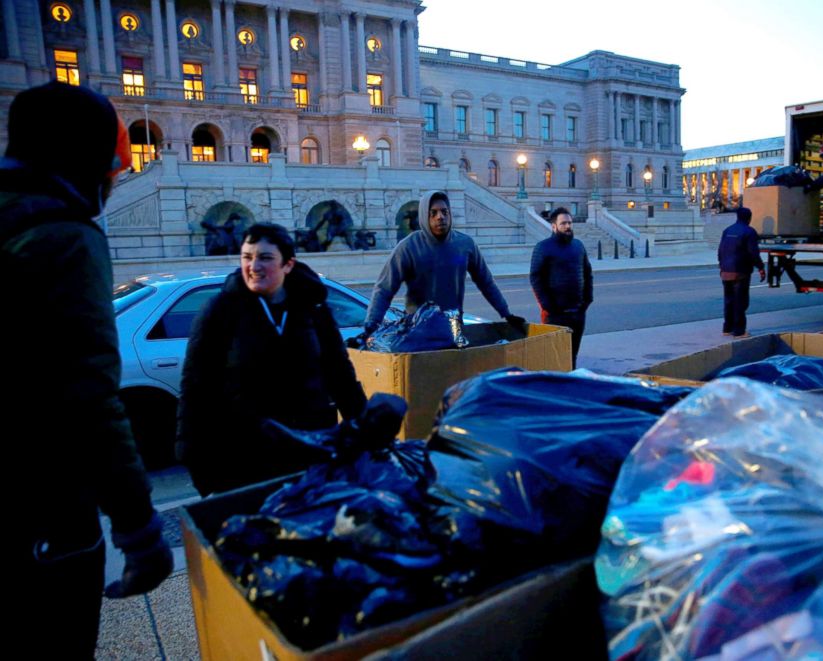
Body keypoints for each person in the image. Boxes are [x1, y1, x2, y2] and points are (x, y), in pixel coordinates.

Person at [2, 82, 172, 658]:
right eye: (114, 161)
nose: (117, 177)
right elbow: (90, 396)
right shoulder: (64, 237)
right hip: (39, 506)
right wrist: (140, 529)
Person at [176, 222, 368, 496]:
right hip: (245, 457)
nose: (254, 266)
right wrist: (193, 458)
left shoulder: (313, 307)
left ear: (288, 264)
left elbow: (340, 375)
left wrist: (364, 427)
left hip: (309, 451)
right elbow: (195, 387)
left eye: (265, 258)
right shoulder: (221, 310)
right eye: (247, 257)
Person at [363, 189, 526, 335]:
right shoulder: (408, 247)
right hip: (417, 331)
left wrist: (506, 314)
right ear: (424, 217)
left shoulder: (465, 245)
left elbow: (486, 282)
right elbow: (384, 289)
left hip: (453, 328)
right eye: (433, 213)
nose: (440, 217)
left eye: (444, 212)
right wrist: (370, 326)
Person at [529, 208, 593, 368]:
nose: (567, 226)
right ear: (553, 226)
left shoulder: (578, 246)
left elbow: (588, 272)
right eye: (563, 223)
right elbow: (536, 277)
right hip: (555, 314)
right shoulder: (543, 247)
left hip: (577, 312)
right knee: (554, 356)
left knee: (573, 354)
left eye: (569, 223)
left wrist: (587, 299)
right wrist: (548, 306)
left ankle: (570, 380)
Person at [718, 207, 766, 338]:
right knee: (740, 301)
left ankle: (727, 328)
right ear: (749, 218)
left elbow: (720, 250)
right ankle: (739, 331)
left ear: (737, 217)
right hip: (741, 272)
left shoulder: (727, 230)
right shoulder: (749, 232)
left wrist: (722, 266)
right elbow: (753, 253)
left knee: (729, 300)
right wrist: (761, 268)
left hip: (726, 271)